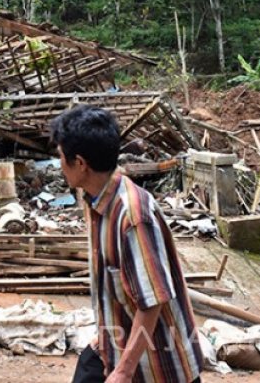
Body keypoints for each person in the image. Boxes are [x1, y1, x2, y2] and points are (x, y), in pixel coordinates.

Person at [50, 105, 203, 383]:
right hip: (116, 347)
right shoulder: (95, 201)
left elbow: (152, 301)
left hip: (159, 366)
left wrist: (123, 371)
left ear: (80, 163)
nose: (59, 165)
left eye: (61, 157)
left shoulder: (132, 217)